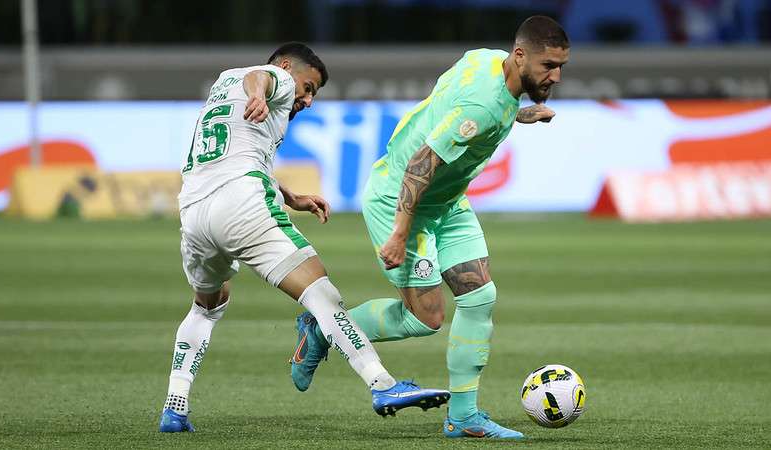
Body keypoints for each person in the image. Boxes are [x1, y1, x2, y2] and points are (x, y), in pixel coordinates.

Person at [289, 17, 569, 439]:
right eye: (549, 65)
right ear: (520, 55)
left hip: (446, 201)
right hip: (401, 200)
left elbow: (450, 107)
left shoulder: (486, 60)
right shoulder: (484, 104)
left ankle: (464, 416)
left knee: (479, 297)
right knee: (427, 318)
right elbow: (423, 162)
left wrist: (519, 114)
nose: (556, 76)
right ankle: (323, 329)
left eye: (562, 65)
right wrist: (400, 233)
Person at [159, 42, 449, 433]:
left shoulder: (222, 82)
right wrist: (261, 92)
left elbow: (236, 149)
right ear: (285, 66)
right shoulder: (274, 76)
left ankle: (175, 406)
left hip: (194, 212)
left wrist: (290, 195)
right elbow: (260, 78)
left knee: (208, 306)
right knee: (321, 293)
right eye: (308, 88)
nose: (308, 100)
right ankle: (383, 385)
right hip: (242, 203)